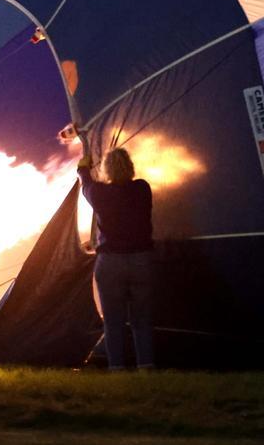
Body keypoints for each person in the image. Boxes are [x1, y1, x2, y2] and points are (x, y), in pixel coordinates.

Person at [77, 134, 155, 370]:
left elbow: (87, 185)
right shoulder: (142, 189)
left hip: (110, 263)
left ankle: (117, 369)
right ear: (130, 167)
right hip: (141, 261)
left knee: (113, 323)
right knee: (142, 321)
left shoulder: (100, 193)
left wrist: (83, 168)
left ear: (107, 170)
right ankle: (147, 368)